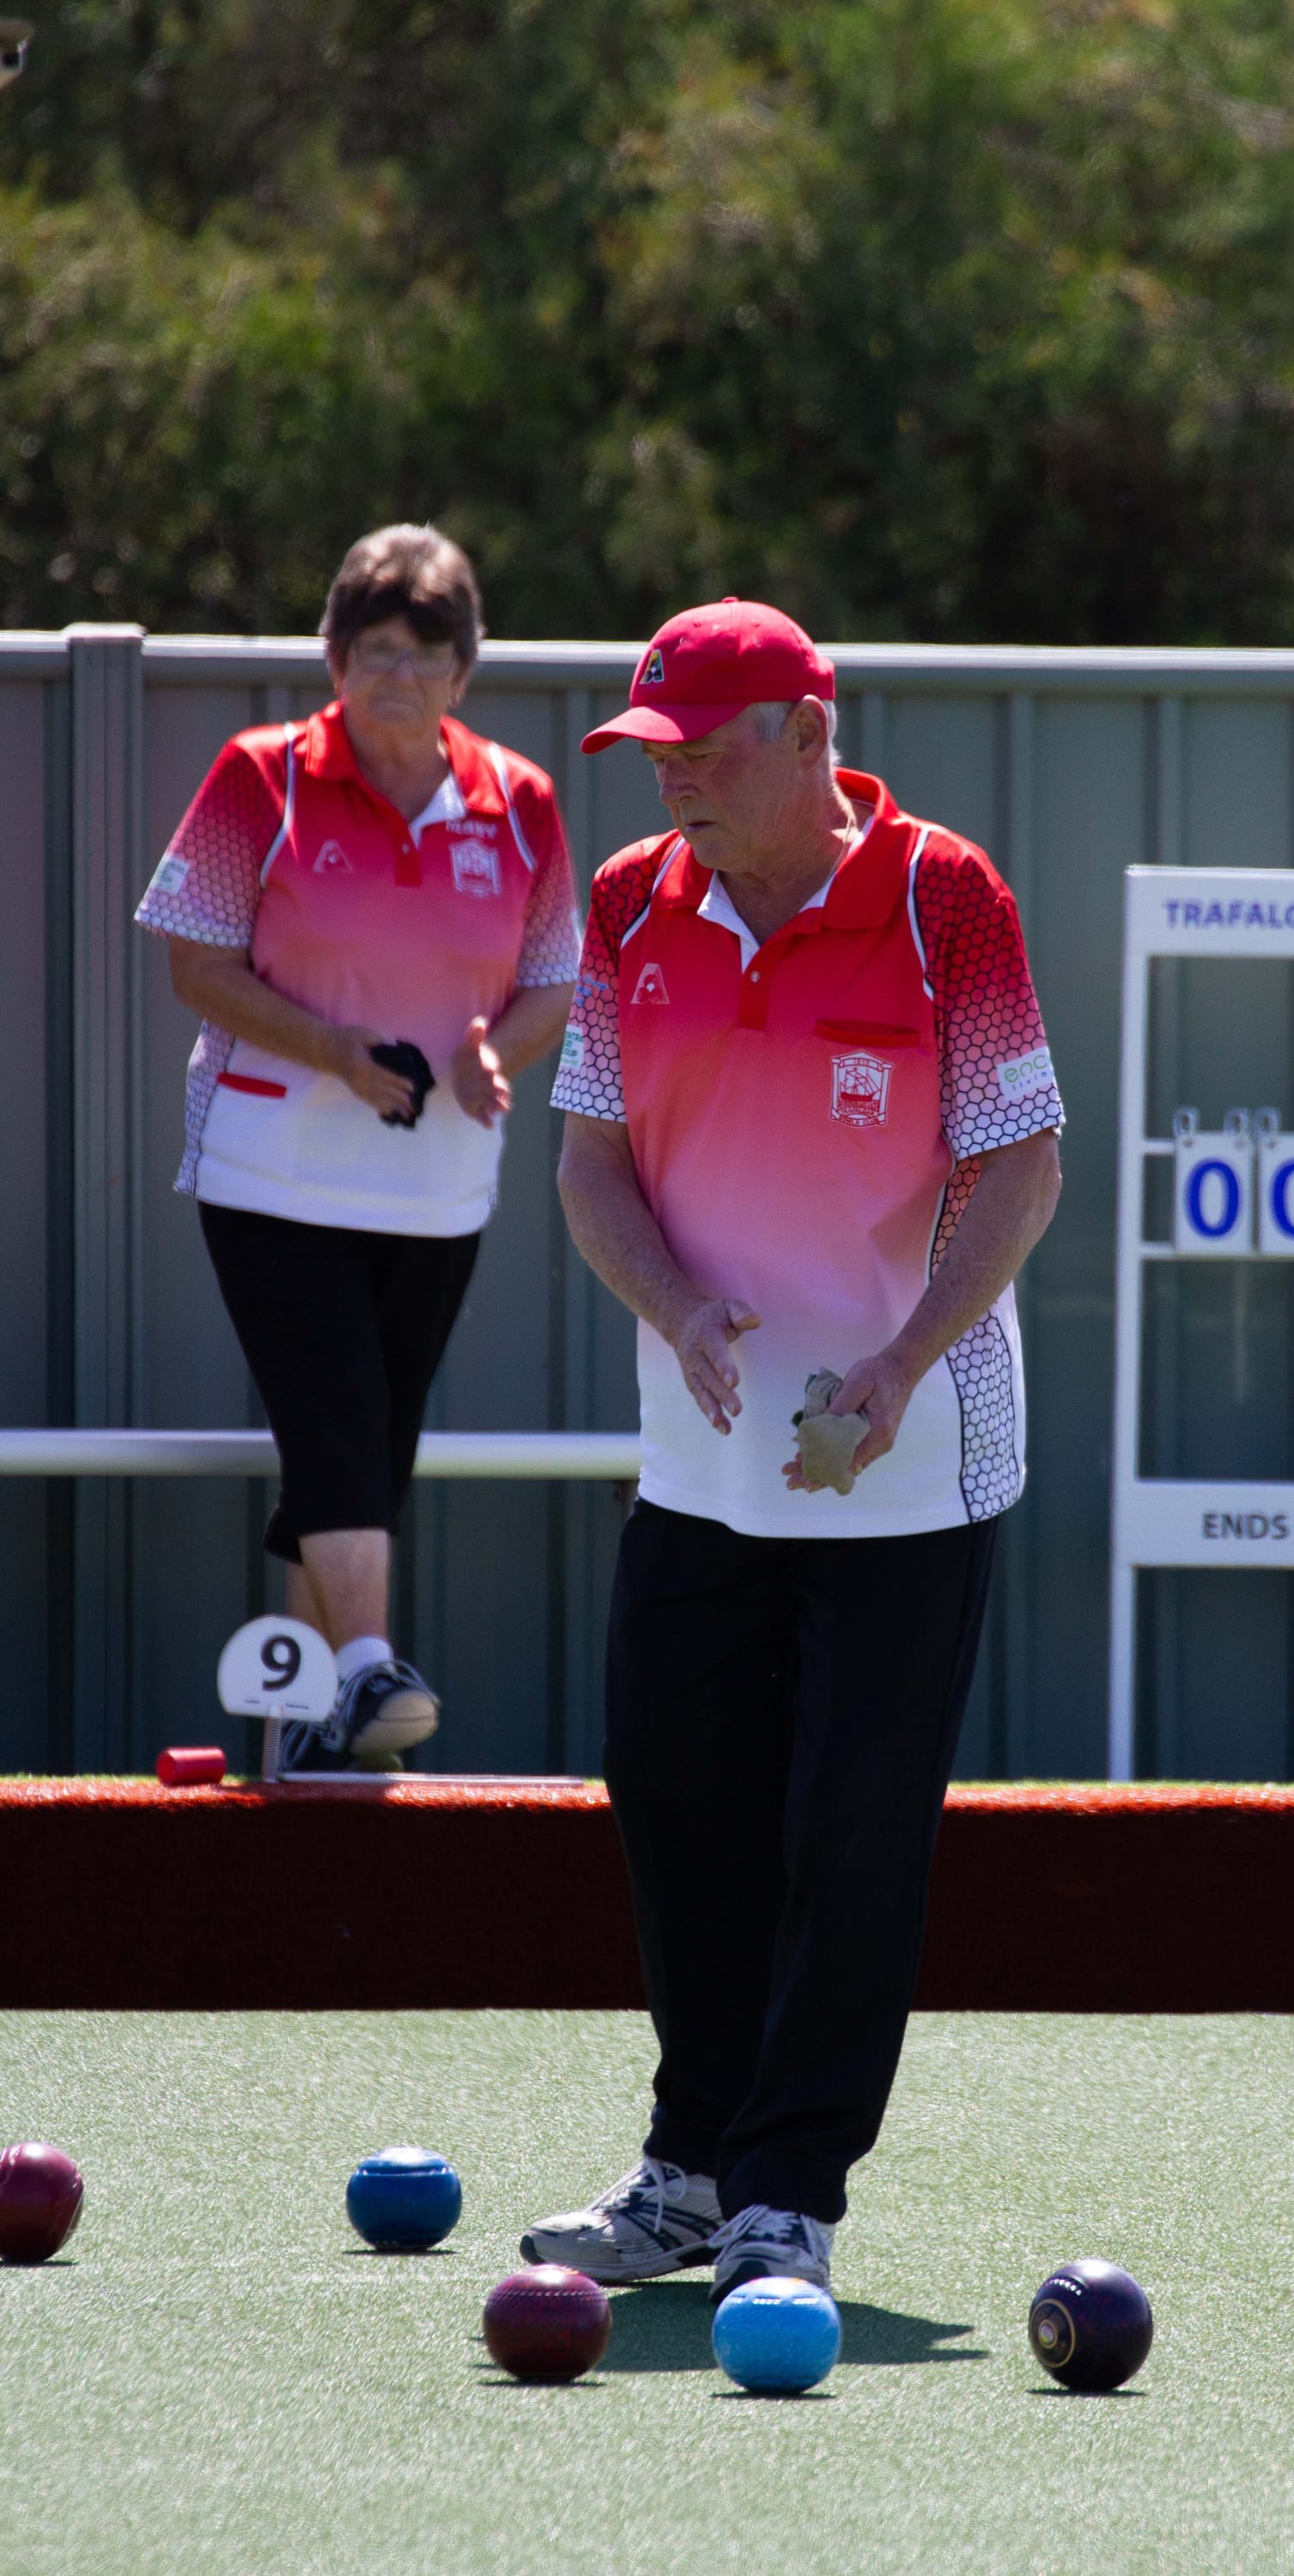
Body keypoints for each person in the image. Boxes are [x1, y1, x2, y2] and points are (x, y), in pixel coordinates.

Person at [526, 598, 1062, 2298]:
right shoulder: (629, 904)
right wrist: (678, 1312)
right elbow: (590, 1168)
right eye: (649, 752)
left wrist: (905, 1362)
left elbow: (1019, 1163)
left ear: (807, 739)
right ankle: (685, 2167)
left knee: (850, 1824)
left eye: (700, 749)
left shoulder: (940, 897)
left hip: (910, 1445)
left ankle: (786, 2195)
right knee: (677, 1795)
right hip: (700, 1453)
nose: (668, 779)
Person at [135, 525, 580, 1771]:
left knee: (365, 1452)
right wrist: (331, 1049)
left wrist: (501, 1053)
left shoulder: (520, 800)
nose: (395, 676)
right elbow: (196, 961)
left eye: (423, 654)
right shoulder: (258, 775)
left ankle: (308, 1737)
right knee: (336, 1423)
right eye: (372, 650)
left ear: (464, 673)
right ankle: (376, 1669)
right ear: (331, 659)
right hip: (269, 1165)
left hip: (442, 1185)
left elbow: (555, 978)